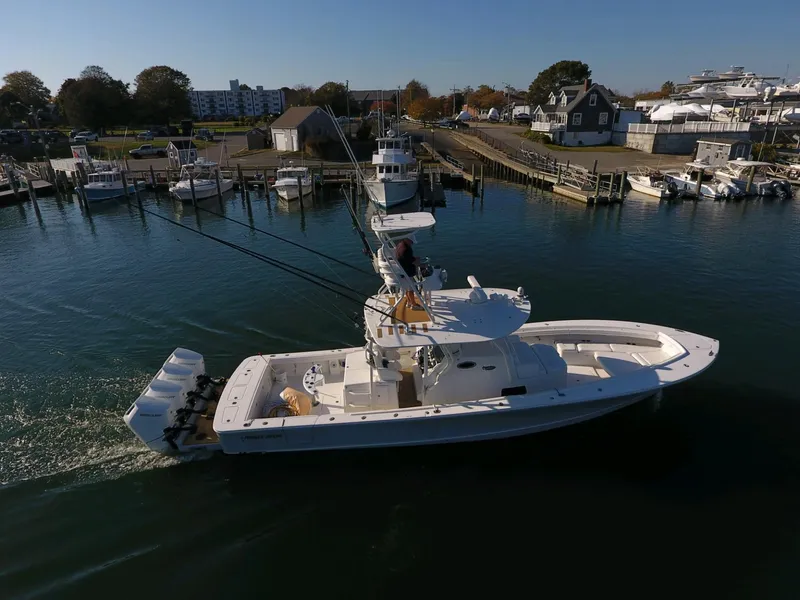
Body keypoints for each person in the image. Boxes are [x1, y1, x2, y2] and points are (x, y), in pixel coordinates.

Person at [394, 237, 421, 308]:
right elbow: (410, 261)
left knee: (407, 288)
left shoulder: (399, 245)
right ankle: (414, 305)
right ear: (407, 240)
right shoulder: (406, 250)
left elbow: (406, 258)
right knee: (411, 288)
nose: (411, 244)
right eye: (411, 242)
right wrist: (418, 262)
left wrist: (414, 259)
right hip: (406, 272)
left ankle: (409, 302)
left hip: (401, 270)